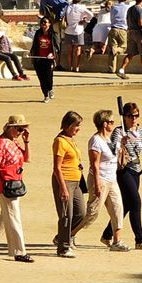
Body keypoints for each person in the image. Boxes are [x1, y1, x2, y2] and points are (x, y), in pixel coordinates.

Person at [0, 115, 33, 262]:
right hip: (4, 184)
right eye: (19, 129)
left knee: (6, 215)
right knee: (14, 216)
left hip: (14, 182)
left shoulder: (14, 141)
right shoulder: (1, 142)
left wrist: (26, 141)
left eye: (23, 129)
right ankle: (19, 251)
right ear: (11, 127)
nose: (21, 132)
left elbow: (27, 158)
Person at [107, 100, 142, 248]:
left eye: (136, 115)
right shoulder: (118, 131)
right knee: (136, 202)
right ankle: (140, 239)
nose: (134, 119)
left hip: (136, 169)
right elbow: (111, 150)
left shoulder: (140, 131)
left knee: (127, 204)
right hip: (124, 170)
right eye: (130, 116)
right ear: (124, 116)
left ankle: (107, 234)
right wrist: (121, 142)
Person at [50, 110, 92, 258]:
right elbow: (57, 167)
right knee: (66, 215)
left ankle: (62, 237)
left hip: (76, 180)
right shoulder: (60, 141)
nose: (78, 128)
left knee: (81, 212)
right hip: (65, 180)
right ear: (68, 125)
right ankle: (63, 247)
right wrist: (62, 187)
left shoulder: (70, 139)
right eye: (76, 125)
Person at [87, 109, 128, 250]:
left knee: (117, 209)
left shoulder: (109, 140)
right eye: (111, 122)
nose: (113, 124)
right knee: (92, 213)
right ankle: (68, 235)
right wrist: (97, 184)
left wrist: (122, 143)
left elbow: (114, 156)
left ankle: (117, 242)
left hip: (112, 179)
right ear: (105, 124)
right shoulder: (95, 141)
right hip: (100, 179)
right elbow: (95, 164)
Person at [28, 16, 58, 103]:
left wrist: (52, 53)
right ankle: (45, 95)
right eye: (42, 22)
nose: (44, 24)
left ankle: (50, 89)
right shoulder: (38, 33)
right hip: (39, 59)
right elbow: (34, 45)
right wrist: (31, 54)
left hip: (48, 59)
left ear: (49, 24)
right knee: (41, 78)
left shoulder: (53, 34)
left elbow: (56, 47)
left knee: (48, 76)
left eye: (46, 22)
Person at [60, 0, 92, 71]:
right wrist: (85, 20)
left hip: (68, 30)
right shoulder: (82, 7)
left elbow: (62, 15)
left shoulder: (68, 7)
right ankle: (76, 66)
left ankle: (70, 66)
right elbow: (91, 15)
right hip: (78, 30)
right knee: (77, 50)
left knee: (70, 50)